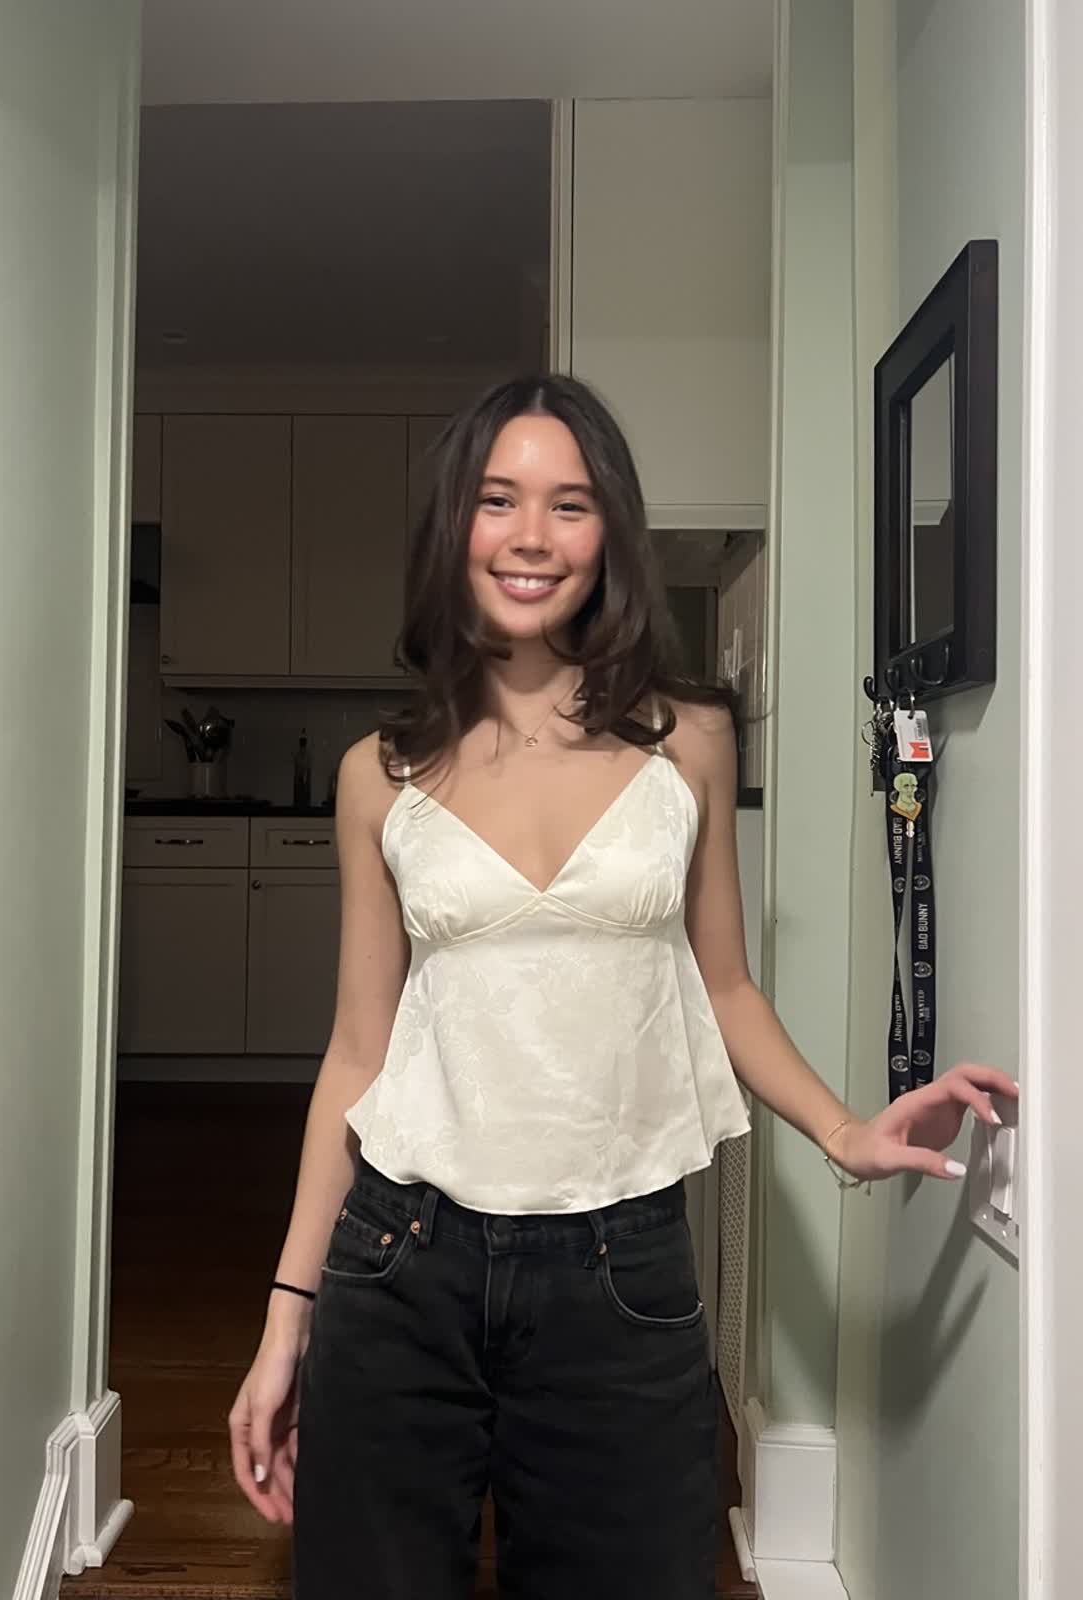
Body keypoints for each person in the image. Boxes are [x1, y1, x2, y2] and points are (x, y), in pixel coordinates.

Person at [228, 374, 1017, 1599]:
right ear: (457, 527)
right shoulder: (377, 774)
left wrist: (846, 1131)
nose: (531, 537)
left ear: (611, 536)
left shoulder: (689, 740)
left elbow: (728, 989)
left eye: (570, 504)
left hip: (622, 1274)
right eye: (499, 501)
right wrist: (289, 1312)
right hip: (401, 1260)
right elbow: (357, 1052)